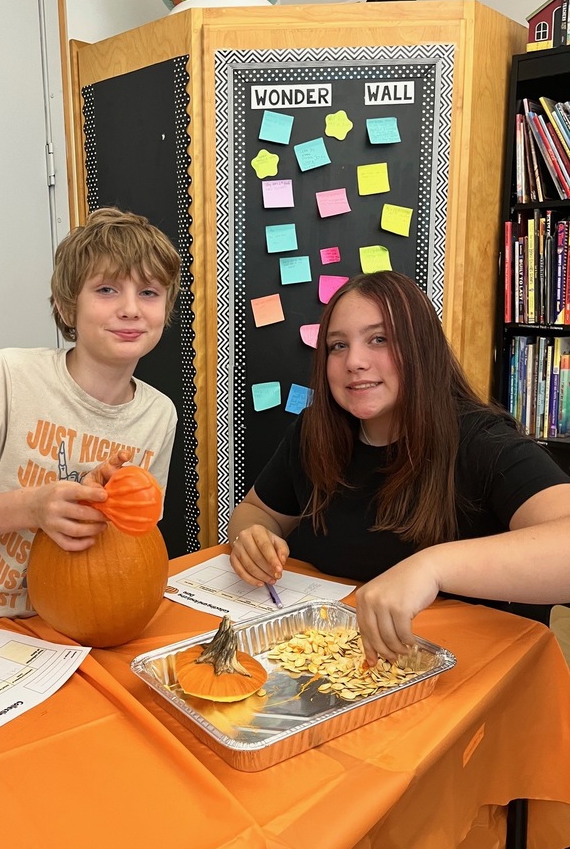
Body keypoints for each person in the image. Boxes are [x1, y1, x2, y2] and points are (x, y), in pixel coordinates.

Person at [228, 271, 570, 665]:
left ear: (421, 348)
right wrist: (251, 536)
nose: (354, 361)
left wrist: (432, 568)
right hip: (337, 661)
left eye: (379, 339)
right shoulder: (311, 433)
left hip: (468, 674)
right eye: (337, 346)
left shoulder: (483, 440)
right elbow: (256, 512)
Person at [0, 207, 181, 655]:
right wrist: (34, 507)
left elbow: (134, 541)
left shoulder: (159, 415)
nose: (130, 309)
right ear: (70, 304)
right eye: (107, 289)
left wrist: (98, 499)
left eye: (149, 292)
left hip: (58, 646)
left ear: (165, 309)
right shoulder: (12, 375)